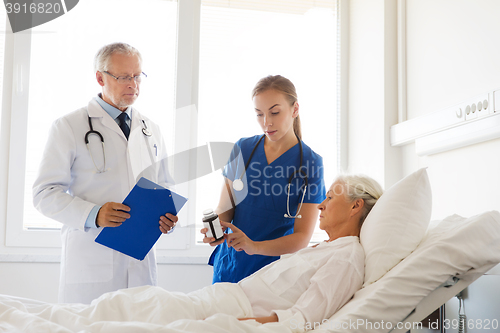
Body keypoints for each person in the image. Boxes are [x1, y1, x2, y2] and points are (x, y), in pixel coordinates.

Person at [2, 175, 383, 332]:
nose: (319, 205)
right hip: (215, 299)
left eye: (330, 197)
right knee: (116, 307)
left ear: (355, 207)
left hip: (224, 310)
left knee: (115, 315)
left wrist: (241, 323)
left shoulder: (347, 257)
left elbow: (303, 318)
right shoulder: (327, 249)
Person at [32, 42, 178, 304]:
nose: (133, 84)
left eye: (137, 76)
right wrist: (94, 214)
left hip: (139, 261)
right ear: (100, 77)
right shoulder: (69, 126)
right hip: (92, 258)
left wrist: (167, 218)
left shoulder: (150, 128)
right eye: (123, 77)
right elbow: (44, 193)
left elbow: (165, 186)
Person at [203, 75, 326, 283]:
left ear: (295, 109)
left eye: (275, 112)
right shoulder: (243, 149)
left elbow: (302, 237)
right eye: (259, 114)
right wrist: (215, 228)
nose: (266, 123)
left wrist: (254, 247)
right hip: (231, 267)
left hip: (273, 274)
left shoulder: (311, 164)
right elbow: (225, 208)